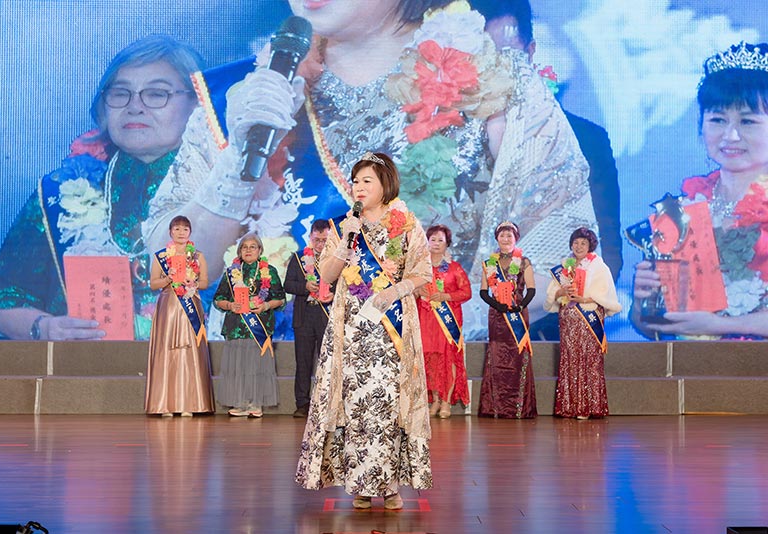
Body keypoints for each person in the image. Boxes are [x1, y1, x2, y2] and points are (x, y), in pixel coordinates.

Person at [143, 0, 597, 340]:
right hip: (276, 391)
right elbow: (172, 264)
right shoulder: (248, 93)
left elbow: (560, 253)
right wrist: (238, 164)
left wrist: (427, 327)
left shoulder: (497, 84)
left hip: (435, 389)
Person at [0, 35, 203, 340]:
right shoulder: (60, 194)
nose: (135, 106)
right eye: (120, 93)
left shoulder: (232, 191)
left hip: (203, 366)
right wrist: (44, 327)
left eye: (157, 94)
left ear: (199, 102)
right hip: (83, 368)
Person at [473, 0, 623, 339]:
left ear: (530, 53)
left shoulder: (582, 138)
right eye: (477, 57)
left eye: (505, 56)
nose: (489, 70)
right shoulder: (427, 139)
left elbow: (604, 258)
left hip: (545, 336)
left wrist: (528, 301)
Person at [295, 152, 432, 510]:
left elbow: (423, 273)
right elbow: (326, 276)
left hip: (392, 329)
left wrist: (394, 292)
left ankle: (391, 486)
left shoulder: (406, 224)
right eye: (355, 181)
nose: (358, 187)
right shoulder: (344, 225)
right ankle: (360, 484)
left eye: (366, 181)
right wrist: (345, 241)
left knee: (388, 403)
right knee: (356, 403)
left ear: (386, 183)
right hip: (352, 328)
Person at [631, 42, 768, 340]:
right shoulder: (682, 210)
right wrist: (643, 300)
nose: (731, 135)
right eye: (718, 120)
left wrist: (721, 326)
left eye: (747, 121)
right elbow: (650, 327)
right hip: (691, 366)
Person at [545, 227, 621, 419]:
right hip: (568, 321)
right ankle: (569, 406)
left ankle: (589, 406)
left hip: (588, 318)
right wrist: (561, 292)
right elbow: (552, 294)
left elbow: (605, 295)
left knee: (589, 359)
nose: (579, 247)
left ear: (590, 246)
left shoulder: (599, 267)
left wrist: (584, 299)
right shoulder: (564, 267)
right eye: (576, 243)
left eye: (583, 243)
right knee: (570, 360)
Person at [145, 215, 215, 417]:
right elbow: (153, 284)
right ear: (170, 232)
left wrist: (193, 283)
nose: (181, 232)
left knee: (190, 350)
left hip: (190, 304)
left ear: (190, 232)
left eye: (185, 229)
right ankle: (164, 404)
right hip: (169, 306)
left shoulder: (198, 256)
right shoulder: (161, 256)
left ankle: (191, 403)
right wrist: (168, 278)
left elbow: (205, 283)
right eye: (177, 229)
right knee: (167, 350)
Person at [213, 233, 286, 418]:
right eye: (244, 247)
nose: (248, 250)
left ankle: (255, 403)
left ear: (260, 250)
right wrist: (230, 305)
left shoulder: (269, 271)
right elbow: (218, 299)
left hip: (259, 327)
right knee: (237, 367)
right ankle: (240, 403)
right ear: (239, 251)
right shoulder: (231, 273)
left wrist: (265, 305)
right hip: (236, 326)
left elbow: (280, 299)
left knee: (257, 366)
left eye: (252, 247)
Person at [478, 221, 537, 418]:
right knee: (497, 357)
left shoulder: (524, 262)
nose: (505, 239)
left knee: (518, 356)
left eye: (509, 236)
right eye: (502, 235)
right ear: (497, 238)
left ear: (516, 238)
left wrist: (520, 306)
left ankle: (519, 408)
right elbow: (483, 292)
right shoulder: (489, 264)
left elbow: (531, 289)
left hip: (517, 314)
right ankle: (495, 407)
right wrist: (497, 306)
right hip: (497, 316)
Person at [415, 224, 471, 419]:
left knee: (448, 360)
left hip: (447, 321)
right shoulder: (420, 268)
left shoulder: (455, 268)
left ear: (447, 243)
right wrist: (417, 290)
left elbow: (466, 292)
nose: (436, 243)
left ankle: (446, 401)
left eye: (441, 240)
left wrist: (446, 295)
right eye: (433, 239)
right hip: (425, 319)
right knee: (430, 359)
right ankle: (435, 400)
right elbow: (410, 290)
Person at [283, 218, 335, 418]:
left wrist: (333, 293)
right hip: (304, 315)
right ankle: (302, 404)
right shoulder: (298, 258)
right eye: (317, 240)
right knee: (303, 362)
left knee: (327, 361)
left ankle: (325, 403)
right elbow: (288, 285)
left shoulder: (335, 260)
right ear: (310, 237)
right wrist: (304, 287)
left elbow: (343, 285)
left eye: (324, 240)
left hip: (326, 315)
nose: (320, 244)